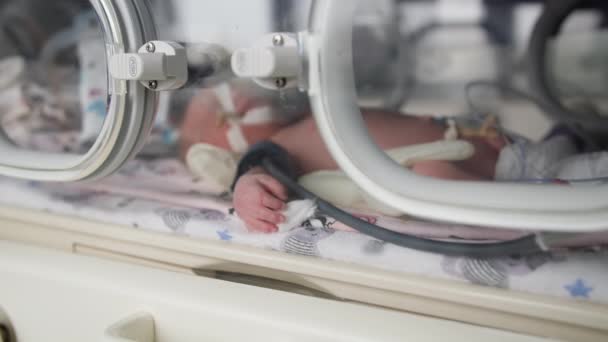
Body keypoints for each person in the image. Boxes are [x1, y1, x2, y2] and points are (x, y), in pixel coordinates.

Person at [179, 89, 506, 233]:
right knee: (429, 176)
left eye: (227, 88)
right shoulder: (276, 146)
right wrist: (249, 182)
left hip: (486, 141)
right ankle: (516, 201)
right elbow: (264, 161)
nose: (235, 93)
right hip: (471, 170)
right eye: (221, 111)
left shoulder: (313, 112)